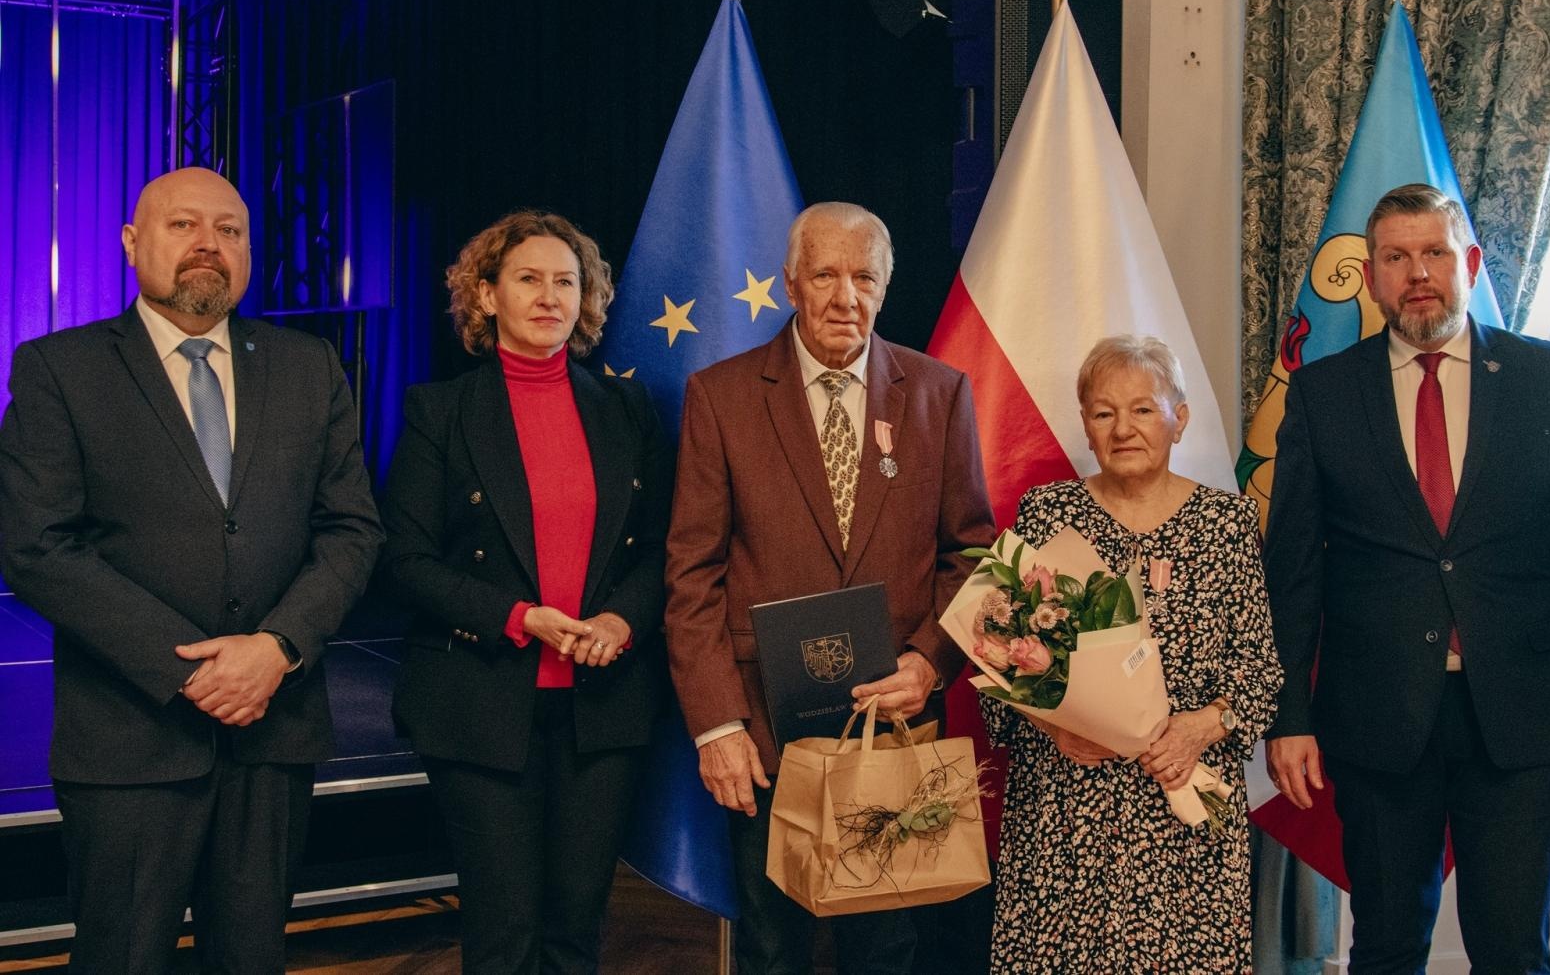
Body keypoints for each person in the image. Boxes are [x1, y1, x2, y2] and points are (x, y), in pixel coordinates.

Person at [0, 166, 383, 973]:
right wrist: (194, 670)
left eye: (231, 230)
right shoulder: (59, 370)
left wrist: (274, 649)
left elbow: (351, 530)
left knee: (250, 960)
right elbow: (36, 544)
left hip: (273, 728)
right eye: (183, 226)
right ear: (133, 244)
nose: (209, 244)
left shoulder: (310, 366)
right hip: (132, 735)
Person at [1264, 183, 1550, 972]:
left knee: (1514, 948)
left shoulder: (1549, 379)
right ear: (1373, 276)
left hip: (1520, 723)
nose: (1418, 274)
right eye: (1396, 257)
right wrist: (1289, 717)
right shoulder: (1323, 394)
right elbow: (1293, 574)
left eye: (1435, 254)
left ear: (1470, 263)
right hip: (1376, 719)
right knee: (1384, 946)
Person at [665, 201, 996, 973]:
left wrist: (931, 662)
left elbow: (973, 556)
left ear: (884, 287)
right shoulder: (722, 396)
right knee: (772, 947)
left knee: (885, 950)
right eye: (826, 274)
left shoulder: (939, 392)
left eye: (864, 277)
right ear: (790, 283)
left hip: (896, 728)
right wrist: (717, 727)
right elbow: (691, 575)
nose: (846, 296)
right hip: (763, 735)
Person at [384, 209, 671, 974]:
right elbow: (403, 561)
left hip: (601, 710)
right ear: (485, 296)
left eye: (566, 282)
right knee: (504, 934)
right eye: (528, 279)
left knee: (576, 929)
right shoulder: (439, 413)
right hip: (480, 704)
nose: (550, 296)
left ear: (587, 301)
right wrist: (517, 617)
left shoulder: (627, 411)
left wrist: (622, 620)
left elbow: (671, 548)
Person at [981, 334, 1282, 973]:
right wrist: (1054, 721)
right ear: (1086, 427)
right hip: (1066, 812)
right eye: (1103, 412)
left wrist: (1201, 728)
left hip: (1185, 807)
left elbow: (1258, 668)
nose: (1123, 429)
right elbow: (999, 653)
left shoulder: (1227, 526)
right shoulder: (1046, 514)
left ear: (1180, 417)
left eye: (1143, 409)